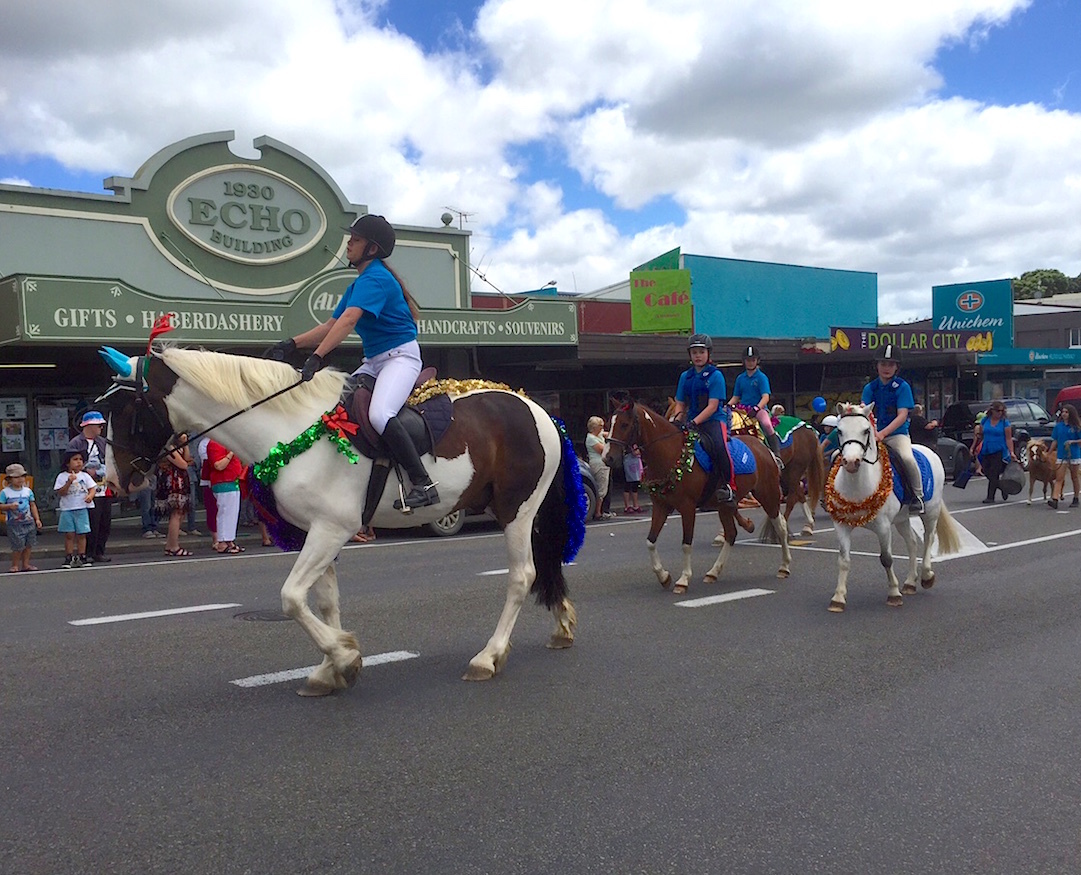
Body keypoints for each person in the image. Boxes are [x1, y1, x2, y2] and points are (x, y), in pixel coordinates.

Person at [267, 214, 438, 511]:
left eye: (355, 240)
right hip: (374, 362)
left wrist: (317, 357)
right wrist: (291, 344)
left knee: (380, 416)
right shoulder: (359, 283)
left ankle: (423, 483)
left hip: (400, 358)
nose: (349, 244)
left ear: (371, 249)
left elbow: (348, 321)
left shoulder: (377, 279)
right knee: (334, 407)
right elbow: (330, 325)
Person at [861, 344, 924, 513]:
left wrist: (882, 433)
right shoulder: (870, 388)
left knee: (907, 458)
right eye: (883, 364)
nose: (886, 368)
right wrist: (873, 431)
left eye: (890, 364)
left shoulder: (902, 387)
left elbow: (902, 415)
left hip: (896, 434)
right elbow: (864, 411)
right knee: (848, 455)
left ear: (897, 367)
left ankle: (917, 495)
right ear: (877, 366)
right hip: (873, 434)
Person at [672, 334, 734, 504]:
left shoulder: (716, 376)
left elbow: (713, 406)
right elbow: (680, 402)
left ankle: (728, 486)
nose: (697, 356)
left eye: (701, 352)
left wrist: (694, 422)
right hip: (690, 420)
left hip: (713, 420)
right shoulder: (685, 376)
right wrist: (677, 419)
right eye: (694, 352)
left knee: (720, 447)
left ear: (708, 353)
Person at [66, 410, 113, 563]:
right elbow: (69, 464)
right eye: (98, 425)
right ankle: (88, 552)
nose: (100, 428)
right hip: (85, 489)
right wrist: (85, 471)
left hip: (103, 486)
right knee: (91, 521)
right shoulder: (76, 443)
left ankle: (100, 551)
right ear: (90, 425)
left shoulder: (103, 442)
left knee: (104, 521)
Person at [728, 345, 783, 460]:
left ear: (757, 361)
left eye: (753, 360)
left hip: (758, 409)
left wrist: (757, 408)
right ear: (744, 361)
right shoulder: (740, 378)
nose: (750, 363)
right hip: (742, 409)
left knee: (767, 424)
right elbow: (736, 397)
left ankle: (776, 453)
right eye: (748, 360)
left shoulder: (761, 377)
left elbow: (765, 397)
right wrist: (727, 407)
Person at [54, 450, 97, 569]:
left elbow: (92, 488)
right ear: (68, 463)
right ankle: (69, 556)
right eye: (75, 459)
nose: (78, 462)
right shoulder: (62, 476)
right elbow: (61, 492)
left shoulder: (85, 475)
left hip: (82, 508)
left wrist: (90, 496)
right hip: (67, 509)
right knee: (69, 534)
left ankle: (82, 555)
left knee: (82, 533)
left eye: (80, 460)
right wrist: (69, 482)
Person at [1, 463, 42, 572]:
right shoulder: (5, 492)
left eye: (22, 476)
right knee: (17, 546)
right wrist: (9, 506)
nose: (20, 479)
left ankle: (26, 564)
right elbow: (1, 506)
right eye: (16, 477)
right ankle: (15, 565)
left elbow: (32, 505)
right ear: (9, 479)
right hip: (14, 524)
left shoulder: (27, 491)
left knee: (29, 545)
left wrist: (37, 519)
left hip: (29, 521)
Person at [156, 439, 193, 557]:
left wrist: (185, 445)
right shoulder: (168, 447)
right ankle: (173, 546)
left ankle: (170, 544)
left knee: (181, 513)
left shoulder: (178, 446)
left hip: (181, 480)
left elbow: (187, 458)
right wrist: (186, 462)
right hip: (173, 482)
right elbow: (183, 464)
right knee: (176, 513)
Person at [973, 400, 1014, 504]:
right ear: (992, 411)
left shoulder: (1005, 423)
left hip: (999, 450)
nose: (999, 413)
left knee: (994, 472)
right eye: (997, 411)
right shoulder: (985, 420)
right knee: (986, 471)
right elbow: (980, 434)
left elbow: (1008, 438)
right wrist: (974, 446)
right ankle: (1002, 487)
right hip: (986, 448)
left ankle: (990, 497)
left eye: (1001, 411)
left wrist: (1011, 452)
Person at [207, 439, 244, 553]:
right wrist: (231, 453)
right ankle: (223, 541)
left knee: (232, 512)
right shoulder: (214, 444)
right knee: (225, 511)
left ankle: (229, 540)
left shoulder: (224, 443)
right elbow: (218, 465)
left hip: (232, 481)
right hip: (223, 481)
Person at [1047, 403, 1081, 510]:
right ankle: (1055, 499)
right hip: (1061, 455)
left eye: (1066, 412)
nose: (1064, 414)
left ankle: (1076, 497)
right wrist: (1049, 452)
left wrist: (1072, 441)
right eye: (1063, 412)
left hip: (1073, 454)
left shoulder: (1076, 426)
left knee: (1074, 477)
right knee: (1059, 478)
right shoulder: (1058, 426)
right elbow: (1055, 440)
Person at [585, 416, 616, 520]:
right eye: (600, 426)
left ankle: (602, 510)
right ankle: (598, 512)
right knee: (601, 488)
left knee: (605, 487)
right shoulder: (591, 438)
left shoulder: (599, 435)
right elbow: (602, 450)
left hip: (603, 464)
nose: (602, 428)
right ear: (594, 427)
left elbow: (608, 434)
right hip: (599, 464)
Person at [197, 436, 219, 551]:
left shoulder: (222, 441)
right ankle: (215, 538)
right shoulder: (204, 444)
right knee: (212, 510)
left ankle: (225, 537)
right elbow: (207, 462)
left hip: (222, 479)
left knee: (224, 510)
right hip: (209, 481)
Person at [622, 444, 644, 514]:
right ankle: (627, 506)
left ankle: (635, 505)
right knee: (627, 484)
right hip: (629, 462)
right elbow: (635, 452)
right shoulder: (629, 445)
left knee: (635, 484)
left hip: (636, 463)